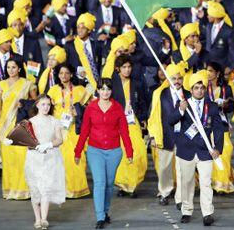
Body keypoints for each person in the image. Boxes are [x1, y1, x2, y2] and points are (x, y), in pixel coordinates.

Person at [75, 78, 133, 229]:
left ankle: (105, 211)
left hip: (114, 151)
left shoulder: (118, 108)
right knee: (100, 183)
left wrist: (129, 151)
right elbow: (85, 131)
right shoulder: (91, 108)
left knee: (108, 184)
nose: (105, 92)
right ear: (98, 91)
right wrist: (78, 151)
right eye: (102, 89)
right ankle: (100, 216)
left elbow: (124, 132)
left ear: (111, 91)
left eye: (108, 89)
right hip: (95, 151)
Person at [168, 70, 224, 226]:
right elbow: (171, 121)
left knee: (206, 183)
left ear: (205, 89)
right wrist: (180, 110)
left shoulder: (212, 107)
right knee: (186, 182)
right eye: (196, 88)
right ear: (190, 90)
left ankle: (207, 213)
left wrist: (218, 148)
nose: (199, 91)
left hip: (205, 150)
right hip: (185, 150)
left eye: (202, 88)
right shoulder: (184, 104)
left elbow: (218, 129)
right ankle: (186, 210)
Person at [0, 58, 37, 199]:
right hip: (5, 126)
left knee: (22, 157)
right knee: (9, 159)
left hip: (21, 125)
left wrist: (25, 105)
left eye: (13, 67)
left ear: (19, 69)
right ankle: (10, 190)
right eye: (8, 67)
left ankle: (25, 190)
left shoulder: (27, 83)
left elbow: (35, 105)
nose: (10, 70)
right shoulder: (1, 85)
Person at [148, 63, 189, 207]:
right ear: (168, 79)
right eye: (174, 78)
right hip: (165, 136)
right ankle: (164, 193)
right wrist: (152, 135)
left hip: (184, 137)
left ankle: (181, 197)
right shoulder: (159, 94)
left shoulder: (189, 94)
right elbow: (153, 116)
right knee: (164, 168)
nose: (177, 81)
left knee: (182, 168)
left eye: (179, 78)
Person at [48, 63, 91, 198]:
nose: (63, 76)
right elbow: (46, 109)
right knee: (60, 159)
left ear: (71, 74)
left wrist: (78, 111)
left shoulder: (79, 90)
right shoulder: (53, 90)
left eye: (66, 73)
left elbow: (89, 108)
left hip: (75, 129)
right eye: (61, 73)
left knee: (76, 157)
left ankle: (78, 188)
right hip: (58, 130)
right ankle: (62, 189)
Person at [24, 94, 65, 230]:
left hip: (50, 157)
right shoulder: (31, 122)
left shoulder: (54, 121)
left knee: (46, 189)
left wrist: (48, 145)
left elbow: (59, 139)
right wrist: (11, 140)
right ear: (37, 105)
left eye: (48, 104)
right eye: (43, 104)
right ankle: (37, 218)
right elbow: (24, 139)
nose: (46, 107)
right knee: (35, 189)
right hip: (34, 158)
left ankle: (44, 219)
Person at [0, 29, 22, 177]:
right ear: (0, 42)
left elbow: (25, 76)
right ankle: (1, 163)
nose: (10, 43)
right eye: (7, 41)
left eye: (10, 41)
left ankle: (13, 161)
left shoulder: (17, 58)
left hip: (13, 102)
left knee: (12, 131)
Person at [111, 55, 148, 197]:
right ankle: (123, 185)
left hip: (134, 122)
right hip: (117, 123)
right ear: (118, 69)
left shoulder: (137, 83)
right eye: (124, 67)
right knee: (121, 153)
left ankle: (133, 184)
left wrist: (144, 118)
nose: (127, 70)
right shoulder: (112, 85)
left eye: (129, 67)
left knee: (137, 152)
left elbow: (143, 101)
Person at [206, 62, 234, 194]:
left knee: (226, 149)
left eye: (211, 71)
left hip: (222, 122)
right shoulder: (201, 87)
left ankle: (223, 183)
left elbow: (231, 107)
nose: (208, 73)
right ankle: (214, 182)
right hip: (206, 123)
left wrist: (224, 106)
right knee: (211, 152)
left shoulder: (226, 88)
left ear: (217, 73)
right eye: (207, 70)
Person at [65, 12, 103, 92]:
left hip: (97, 85)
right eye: (78, 28)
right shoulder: (70, 46)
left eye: (83, 28)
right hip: (78, 85)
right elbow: (66, 66)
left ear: (89, 30)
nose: (80, 31)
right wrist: (77, 72)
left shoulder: (97, 45)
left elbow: (99, 65)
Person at [204, 1, 234, 69]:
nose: (207, 16)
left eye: (209, 14)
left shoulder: (228, 31)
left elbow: (232, 51)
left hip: (222, 66)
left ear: (215, 16)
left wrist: (229, 67)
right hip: (209, 65)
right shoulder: (208, 26)